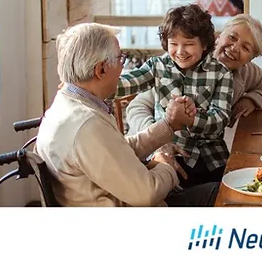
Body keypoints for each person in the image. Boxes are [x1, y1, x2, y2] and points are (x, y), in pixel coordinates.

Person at [35, 23, 218, 207]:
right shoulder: (88, 126)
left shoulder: (63, 106)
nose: (123, 67)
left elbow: (117, 149)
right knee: (219, 192)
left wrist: (168, 125)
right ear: (101, 70)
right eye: (120, 58)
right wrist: (165, 164)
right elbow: (147, 193)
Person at [116, 4, 233, 188]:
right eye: (173, 44)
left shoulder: (221, 73)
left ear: (204, 44)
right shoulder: (157, 66)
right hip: (168, 152)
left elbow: (221, 118)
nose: (180, 51)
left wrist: (191, 119)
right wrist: (87, 82)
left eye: (188, 44)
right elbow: (128, 82)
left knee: (223, 194)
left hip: (211, 157)